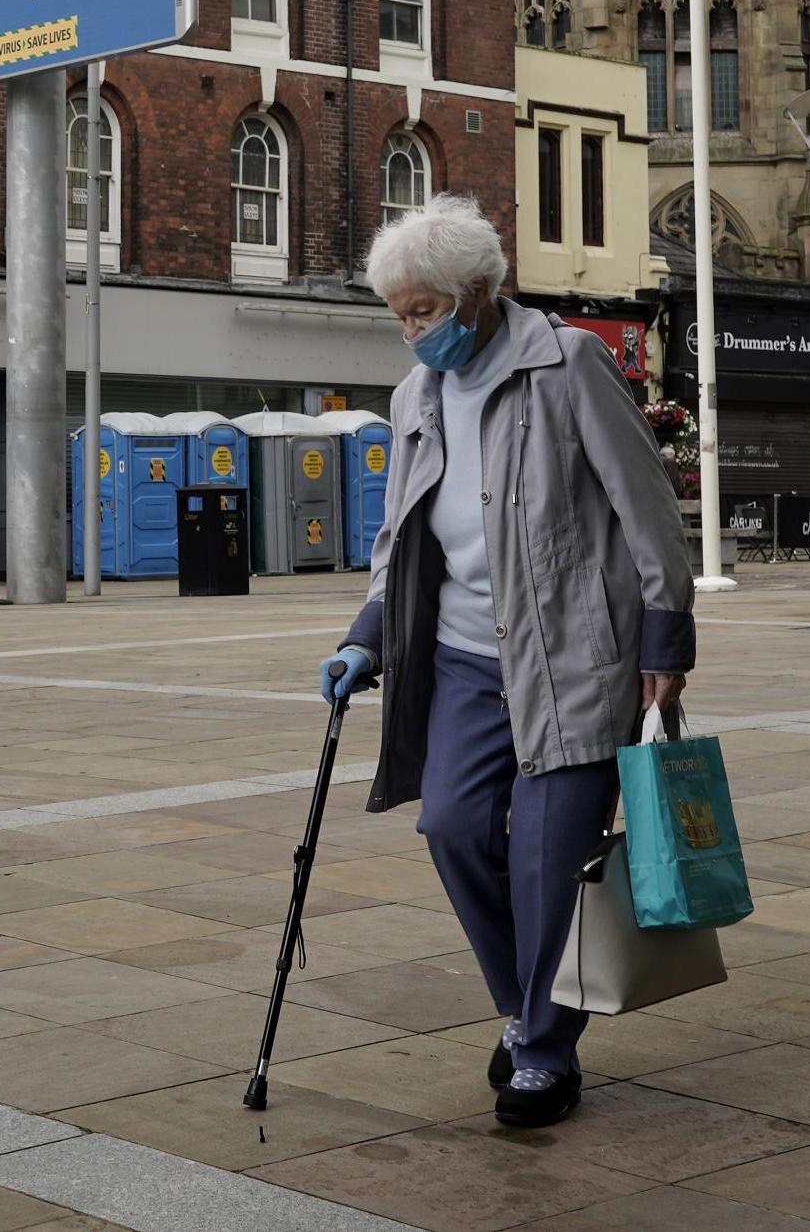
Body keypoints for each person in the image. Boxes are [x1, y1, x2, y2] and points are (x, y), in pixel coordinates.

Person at [322, 195, 695, 1129]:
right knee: (451, 827)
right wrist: (367, 629)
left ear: (481, 292)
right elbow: (400, 531)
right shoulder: (417, 395)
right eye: (400, 315)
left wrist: (665, 636)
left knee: (544, 855)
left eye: (425, 312)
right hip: (459, 658)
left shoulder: (567, 363)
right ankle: (529, 1009)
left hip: (572, 656)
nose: (412, 332)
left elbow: (646, 507)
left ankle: (543, 1048)